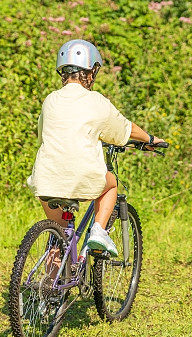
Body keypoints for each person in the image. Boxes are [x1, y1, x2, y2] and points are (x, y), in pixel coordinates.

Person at [26, 39, 165, 256]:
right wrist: (149, 138)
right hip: (82, 175)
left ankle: (50, 287)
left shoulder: (50, 100)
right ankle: (99, 232)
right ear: (91, 72)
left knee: (59, 235)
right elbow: (124, 130)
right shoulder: (95, 101)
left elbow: (42, 135)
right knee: (111, 184)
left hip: (45, 178)